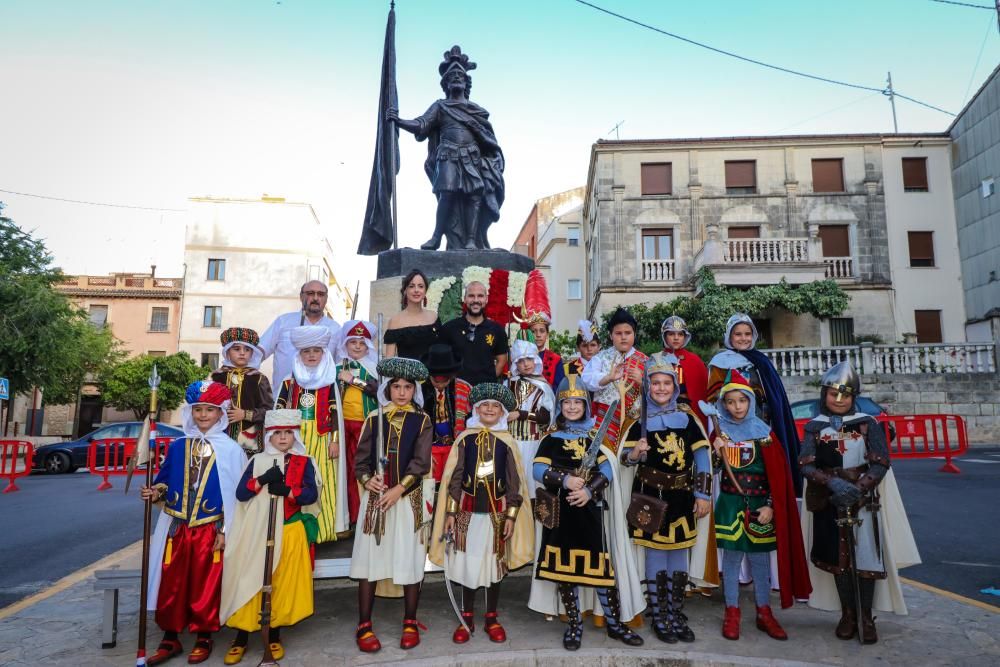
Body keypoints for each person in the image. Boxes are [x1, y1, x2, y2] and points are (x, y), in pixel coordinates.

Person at [799, 362, 920, 644]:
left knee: (866, 559)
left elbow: (880, 462)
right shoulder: (815, 427)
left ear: (854, 396)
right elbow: (805, 463)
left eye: (845, 395)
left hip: (866, 501)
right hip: (829, 500)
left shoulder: (868, 423)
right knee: (838, 560)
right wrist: (832, 483)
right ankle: (847, 614)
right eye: (833, 394)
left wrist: (858, 488)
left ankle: (865, 615)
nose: (839, 400)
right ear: (824, 394)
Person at [528, 374, 644, 651]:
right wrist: (565, 480)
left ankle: (615, 623)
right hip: (561, 511)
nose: (571, 408)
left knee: (602, 569)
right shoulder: (551, 438)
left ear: (585, 406)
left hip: (590, 510)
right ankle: (574, 624)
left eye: (577, 403)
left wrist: (589, 490)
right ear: (559, 406)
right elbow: (537, 469)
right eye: (566, 404)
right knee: (565, 570)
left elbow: (607, 468)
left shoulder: (595, 437)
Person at [140, 380, 245, 666]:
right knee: (172, 581)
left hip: (211, 527)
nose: (202, 415)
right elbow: (164, 478)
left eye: (209, 410)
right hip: (177, 527)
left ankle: (203, 636)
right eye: (197, 409)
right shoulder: (177, 446)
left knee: (205, 582)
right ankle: (170, 636)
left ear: (220, 414)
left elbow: (235, 495)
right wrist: (155, 491)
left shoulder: (232, 450)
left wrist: (225, 529)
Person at [707, 370, 811, 642]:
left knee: (760, 561)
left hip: (759, 506)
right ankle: (732, 610)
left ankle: (764, 611)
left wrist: (770, 506)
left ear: (750, 401)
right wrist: (715, 452)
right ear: (723, 404)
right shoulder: (721, 432)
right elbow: (713, 470)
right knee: (731, 560)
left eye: (742, 400)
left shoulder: (765, 434)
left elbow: (777, 478)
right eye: (730, 402)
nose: (737, 406)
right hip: (729, 504)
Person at [429, 383, 534, 645]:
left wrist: (510, 516)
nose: (489, 409)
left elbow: (515, 482)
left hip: (495, 517)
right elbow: (454, 478)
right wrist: (450, 513)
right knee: (467, 566)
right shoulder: (465, 439)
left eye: (495, 406)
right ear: (476, 409)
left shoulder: (507, 442)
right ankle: (466, 617)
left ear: (502, 411)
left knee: (493, 566)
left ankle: (491, 617)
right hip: (465, 514)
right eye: (484, 405)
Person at [619, 354, 712, 645]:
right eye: (655, 383)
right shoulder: (638, 420)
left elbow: (702, 458)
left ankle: (676, 612)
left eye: (666, 383)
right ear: (648, 386)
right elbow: (624, 459)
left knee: (680, 555)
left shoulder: (687, 418)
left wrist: (703, 494)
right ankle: (659, 615)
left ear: (674, 386)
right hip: (650, 498)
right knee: (656, 556)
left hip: (683, 497)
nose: (660, 388)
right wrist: (634, 454)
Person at [220, 409, 321, 665]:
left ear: (295, 434)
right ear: (270, 436)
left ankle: (273, 635)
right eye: (278, 433)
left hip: (290, 531)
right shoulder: (257, 462)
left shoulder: (304, 461)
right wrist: (263, 480)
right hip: (258, 532)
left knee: (280, 586)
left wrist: (287, 490)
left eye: (289, 432)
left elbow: (310, 496)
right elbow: (242, 494)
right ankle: (241, 637)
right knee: (251, 581)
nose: (284, 438)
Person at [350, 357, 433, 653]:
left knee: (409, 559)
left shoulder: (422, 421)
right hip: (376, 502)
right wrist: (366, 479)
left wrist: (399, 488)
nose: (401, 392)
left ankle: (410, 621)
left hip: (406, 500)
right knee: (369, 559)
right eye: (396, 386)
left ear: (414, 390)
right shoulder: (375, 418)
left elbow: (421, 463)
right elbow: (360, 459)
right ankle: (364, 624)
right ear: (387, 388)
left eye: (407, 387)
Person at [387, 45, 505, 250]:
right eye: (453, 76)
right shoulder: (440, 106)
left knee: (474, 193)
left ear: (467, 83)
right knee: (447, 192)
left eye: (461, 75)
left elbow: (488, 138)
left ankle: (471, 239)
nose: (457, 78)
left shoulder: (476, 111)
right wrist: (398, 121)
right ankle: (436, 237)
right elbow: (422, 124)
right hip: (447, 154)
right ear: (446, 83)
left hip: (472, 156)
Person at [707, 313, 802, 494]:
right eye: (738, 334)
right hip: (730, 430)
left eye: (747, 334)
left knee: (764, 475)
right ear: (729, 336)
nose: (743, 338)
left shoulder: (761, 361)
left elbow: (774, 399)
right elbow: (713, 401)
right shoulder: (719, 363)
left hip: (761, 427)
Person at [274, 326, 347, 543]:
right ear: (299, 354)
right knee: (295, 480)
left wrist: (335, 441)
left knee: (323, 481)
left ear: (324, 353)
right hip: (294, 438)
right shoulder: (289, 381)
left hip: (323, 438)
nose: (312, 355)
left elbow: (335, 413)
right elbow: (278, 411)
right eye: (307, 351)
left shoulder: (329, 380)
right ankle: (295, 530)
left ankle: (323, 532)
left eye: (316, 350)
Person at [581, 307, 648, 448]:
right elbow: (586, 381)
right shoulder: (601, 358)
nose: (623, 337)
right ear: (611, 335)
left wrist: (642, 382)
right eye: (618, 333)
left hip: (634, 422)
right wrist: (608, 378)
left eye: (628, 333)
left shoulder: (645, 361)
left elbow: (658, 392)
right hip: (605, 420)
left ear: (634, 334)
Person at [336, 320, 380, 527]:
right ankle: (343, 518)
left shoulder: (374, 369)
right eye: (352, 342)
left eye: (361, 343)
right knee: (341, 470)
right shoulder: (336, 367)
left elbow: (379, 390)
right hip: (340, 426)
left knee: (360, 469)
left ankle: (360, 516)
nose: (356, 346)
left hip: (364, 426)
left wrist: (353, 381)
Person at [259, 280, 341, 391]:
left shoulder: (335, 328)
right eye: (310, 293)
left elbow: (342, 364)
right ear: (301, 296)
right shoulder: (283, 322)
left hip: (322, 399)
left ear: (326, 299)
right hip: (284, 397)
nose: (316, 298)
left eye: (320, 294)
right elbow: (259, 352)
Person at [506, 338, 555, 501]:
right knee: (512, 485)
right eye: (521, 361)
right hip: (510, 442)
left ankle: (533, 525)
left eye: (529, 359)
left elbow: (545, 418)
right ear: (515, 364)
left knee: (532, 487)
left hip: (533, 444)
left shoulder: (543, 387)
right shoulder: (507, 385)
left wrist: (522, 414)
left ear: (535, 360)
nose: (526, 364)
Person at [212, 327, 273, 457]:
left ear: (253, 353)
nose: (242, 353)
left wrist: (245, 414)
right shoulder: (216, 377)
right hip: (220, 437)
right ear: (227, 351)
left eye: (247, 349)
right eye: (237, 349)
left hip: (249, 442)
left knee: (246, 474)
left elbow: (269, 411)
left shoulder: (259, 378)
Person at [420, 343, 472, 484]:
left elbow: (472, 419)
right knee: (430, 482)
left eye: (445, 380)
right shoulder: (419, 390)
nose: (440, 385)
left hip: (454, 446)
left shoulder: (465, 388)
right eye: (436, 381)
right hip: (429, 447)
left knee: (452, 481)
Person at [440, 281, 509, 386]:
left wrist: (488, 380)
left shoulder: (497, 330)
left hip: (485, 394)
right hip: (457, 392)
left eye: (480, 296)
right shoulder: (449, 329)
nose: (476, 300)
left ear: (486, 299)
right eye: (471, 296)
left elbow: (502, 360)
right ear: (465, 299)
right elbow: (443, 360)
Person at [660, 316, 708, 430]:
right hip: (664, 409)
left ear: (685, 337)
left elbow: (702, 392)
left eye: (680, 334)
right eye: (671, 334)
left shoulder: (695, 361)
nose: (676, 338)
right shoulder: (656, 359)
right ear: (664, 336)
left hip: (690, 410)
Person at [383, 269, 442, 360]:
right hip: (405, 374)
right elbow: (389, 362)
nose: (416, 290)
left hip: (434, 373)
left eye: (420, 286)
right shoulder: (395, 321)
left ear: (425, 290)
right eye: (411, 286)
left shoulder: (433, 317)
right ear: (405, 290)